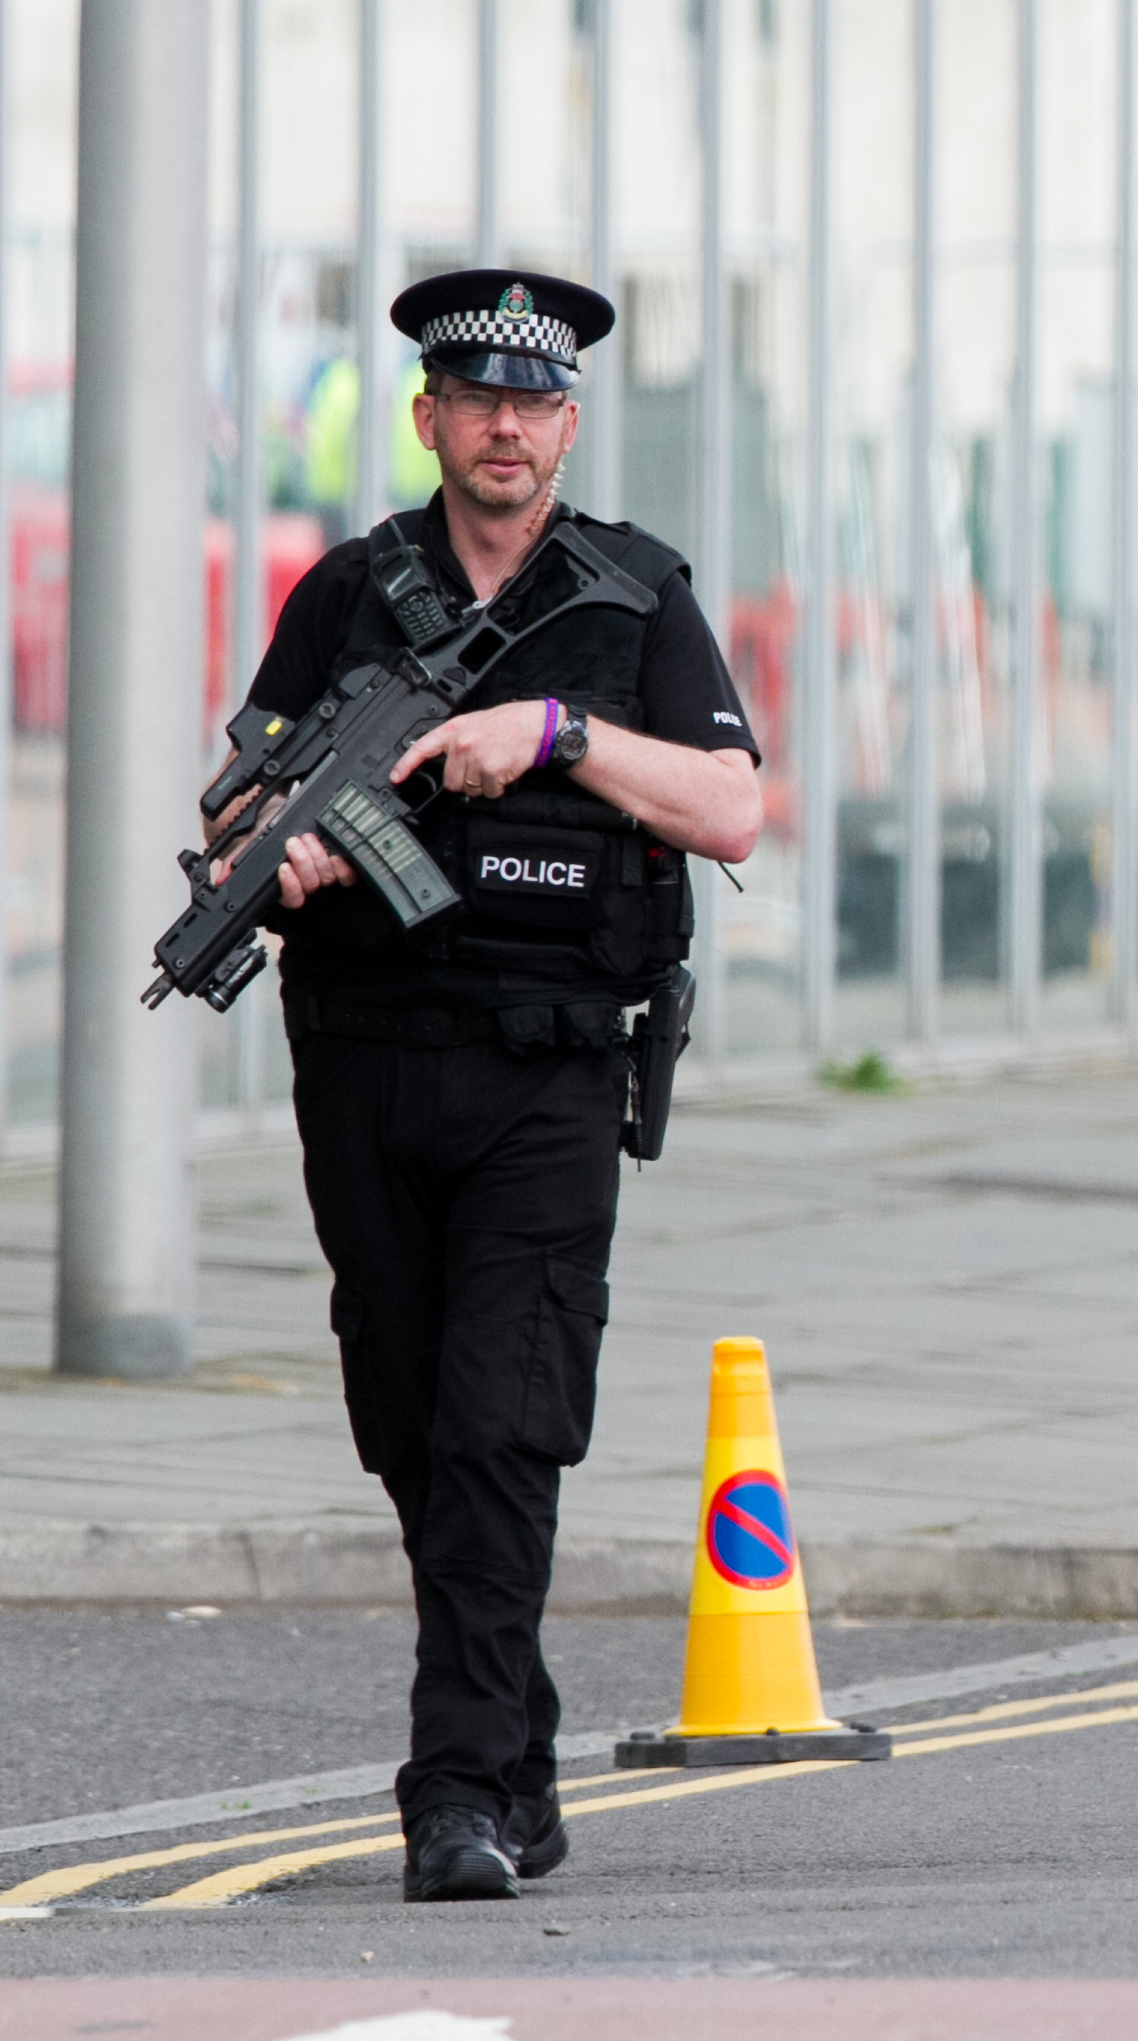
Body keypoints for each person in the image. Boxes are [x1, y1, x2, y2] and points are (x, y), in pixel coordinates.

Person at [227, 269, 762, 1901]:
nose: (507, 426)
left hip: (545, 1074)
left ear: (569, 423)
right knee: (409, 1419)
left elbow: (732, 809)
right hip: (369, 1065)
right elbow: (232, 802)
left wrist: (555, 736)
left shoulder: (636, 599)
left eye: (534, 402)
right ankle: (516, 1746)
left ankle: (454, 1791)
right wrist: (281, 856)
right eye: (478, 400)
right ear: (431, 419)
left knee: (500, 1427)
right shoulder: (346, 594)